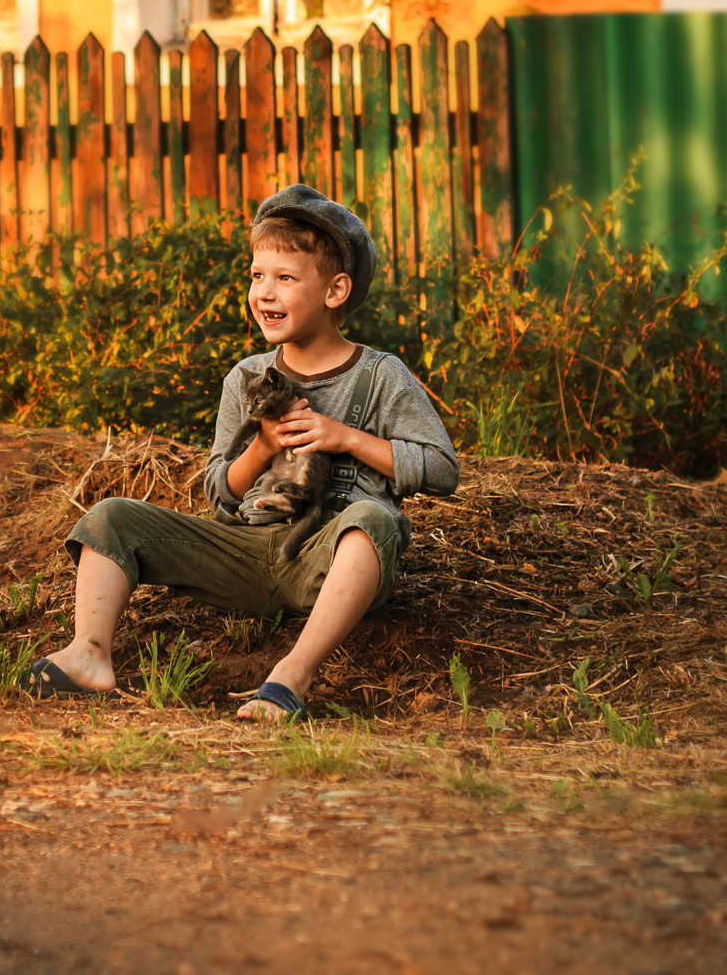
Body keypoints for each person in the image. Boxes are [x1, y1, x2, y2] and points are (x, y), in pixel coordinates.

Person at [27, 186, 459, 721]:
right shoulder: (247, 378)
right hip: (245, 550)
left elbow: (442, 469)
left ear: (335, 289)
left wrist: (344, 437)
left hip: (327, 559)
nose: (265, 293)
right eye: (257, 276)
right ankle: (90, 653)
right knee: (111, 517)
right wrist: (262, 448)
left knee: (372, 519)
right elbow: (219, 495)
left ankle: (290, 676)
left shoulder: (380, 376)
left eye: (285, 278)